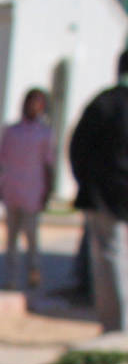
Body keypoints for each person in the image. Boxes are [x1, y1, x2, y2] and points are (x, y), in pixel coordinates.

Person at [69, 49, 128, 332]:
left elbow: (78, 148)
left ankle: (117, 329)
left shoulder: (104, 103)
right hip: (112, 194)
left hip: (106, 196)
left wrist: (88, 185)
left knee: (110, 259)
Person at [0, 87, 57, 291]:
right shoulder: (12, 131)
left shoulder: (45, 134)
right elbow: (0, 160)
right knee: (11, 238)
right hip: (12, 189)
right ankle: (11, 278)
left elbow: (49, 165)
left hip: (33, 191)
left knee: (31, 236)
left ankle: (34, 272)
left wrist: (48, 191)